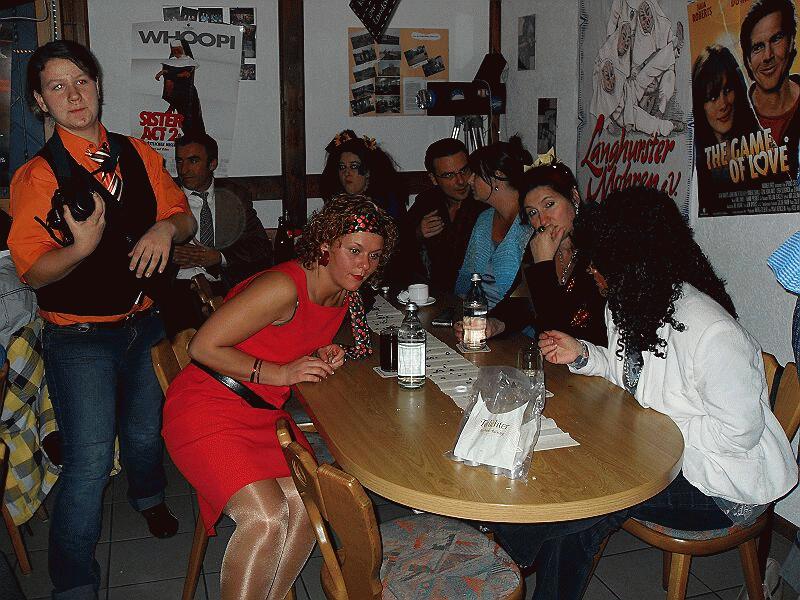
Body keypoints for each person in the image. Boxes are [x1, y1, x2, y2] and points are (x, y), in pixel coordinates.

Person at [491, 186, 798, 600]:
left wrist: (649, 431)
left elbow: (738, 434)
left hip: (722, 484)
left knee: (596, 497)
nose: (591, 268)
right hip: (665, 459)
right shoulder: (629, 302)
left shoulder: (713, 333)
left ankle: (503, 549)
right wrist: (583, 354)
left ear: (631, 260)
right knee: (583, 501)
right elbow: (632, 374)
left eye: (600, 259)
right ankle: (510, 549)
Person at [9, 41, 196, 598]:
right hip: (79, 335)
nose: (73, 95)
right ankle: (72, 582)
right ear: (40, 101)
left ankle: (148, 496)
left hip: (145, 323)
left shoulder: (139, 153)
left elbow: (182, 216)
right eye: (57, 86)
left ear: (98, 86)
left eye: (82, 81)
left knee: (143, 430)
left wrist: (165, 228)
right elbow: (32, 272)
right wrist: (81, 249)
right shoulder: (37, 177)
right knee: (89, 460)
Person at [162, 194, 397, 600]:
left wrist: (318, 352)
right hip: (208, 406)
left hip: (263, 414)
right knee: (267, 519)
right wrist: (282, 373)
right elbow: (202, 347)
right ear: (325, 245)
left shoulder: (343, 291)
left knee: (306, 511)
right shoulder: (283, 287)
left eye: (374, 256)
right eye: (355, 251)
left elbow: (286, 336)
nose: (364, 265)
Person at [159, 131, 273, 335]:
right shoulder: (165, 195)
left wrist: (219, 257)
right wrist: (168, 254)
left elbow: (261, 247)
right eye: (179, 161)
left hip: (225, 285)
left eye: (193, 161)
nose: (184, 170)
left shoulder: (234, 196)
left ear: (213, 164)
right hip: (178, 289)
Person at [486, 162, 607, 345]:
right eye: (533, 213)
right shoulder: (539, 244)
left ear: (574, 197)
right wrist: (494, 324)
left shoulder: (600, 250)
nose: (543, 220)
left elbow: (556, 332)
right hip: (551, 357)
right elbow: (522, 300)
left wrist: (543, 266)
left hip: (592, 357)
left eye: (549, 204)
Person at [454, 136, 533, 311]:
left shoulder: (531, 222)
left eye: (475, 174)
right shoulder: (484, 218)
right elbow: (465, 279)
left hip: (513, 319)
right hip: (475, 314)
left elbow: (527, 297)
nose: (469, 180)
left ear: (498, 176)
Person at [400, 138, 487, 293]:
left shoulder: (484, 202)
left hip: (477, 294)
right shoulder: (427, 201)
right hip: (432, 295)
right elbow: (397, 243)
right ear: (434, 179)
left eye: (464, 171)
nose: (460, 181)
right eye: (449, 175)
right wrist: (417, 233)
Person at [693, 44, 762, 214]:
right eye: (712, 97)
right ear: (700, 104)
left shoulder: (763, 147)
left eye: (728, 90)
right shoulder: (694, 163)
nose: (723, 104)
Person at [741, 0, 799, 178]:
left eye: (776, 39)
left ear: (791, 41)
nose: (767, 56)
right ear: (748, 60)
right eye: (758, 47)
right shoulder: (731, 116)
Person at [319, 129, 408, 220]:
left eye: (353, 166)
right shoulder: (336, 203)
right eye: (342, 167)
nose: (346, 173)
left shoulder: (387, 203)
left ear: (368, 171)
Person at [154, 39, 204, 134]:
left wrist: (168, 73)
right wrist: (164, 72)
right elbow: (169, 76)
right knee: (180, 117)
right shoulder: (170, 62)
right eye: (174, 50)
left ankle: (192, 134)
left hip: (187, 93)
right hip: (174, 93)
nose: (176, 52)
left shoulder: (189, 62)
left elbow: (185, 75)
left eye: (178, 49)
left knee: (189, 116)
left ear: (183, 49)